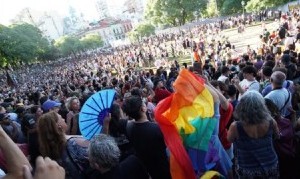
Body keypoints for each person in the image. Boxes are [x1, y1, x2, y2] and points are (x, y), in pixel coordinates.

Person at [227, 91, 279, 178]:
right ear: (262, 106)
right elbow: (277, 136)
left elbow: (229, 139)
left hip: (247, 167)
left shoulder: (235, 126)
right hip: (270, 163)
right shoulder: (271, 121)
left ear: (242, 106)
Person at [122, 95, 171, 179]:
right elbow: (167, 147)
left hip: (147, 167)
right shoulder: (156, 128)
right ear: (143, 109)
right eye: (143, 104)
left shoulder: (129, 128)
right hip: (162, 166)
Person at [37, 111, 91, 179]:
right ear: (58, 125)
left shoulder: (47, 148)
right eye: (61, 118)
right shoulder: (73, 143)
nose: (64, 119)